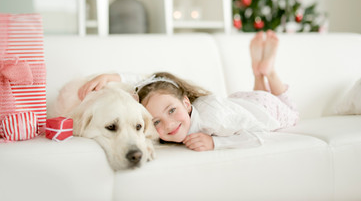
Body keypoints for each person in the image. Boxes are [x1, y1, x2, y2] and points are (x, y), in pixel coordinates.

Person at [78, 30, 299, 151]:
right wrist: (113, 78)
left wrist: (216, 143)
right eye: (156, 121)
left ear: (185, 102)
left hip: (267, 111)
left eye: (171, 111)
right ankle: (259, 73)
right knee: (258, 101)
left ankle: (268, 73)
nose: (169, 124)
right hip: (243, 103)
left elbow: (259, 133)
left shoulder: (214, 118)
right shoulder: (165, 96)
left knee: (290, 110)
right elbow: (149, 81)